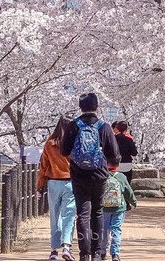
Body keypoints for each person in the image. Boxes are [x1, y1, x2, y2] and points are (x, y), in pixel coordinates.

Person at [60, 92, 121, 261]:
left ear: (80, 107)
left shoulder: (73, 126)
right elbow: (115, 156)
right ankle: (97, 253)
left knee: (83, 214)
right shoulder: (104, 126)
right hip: (100, 176)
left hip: (79, 176)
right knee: (98, 213)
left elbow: (64, 151)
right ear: (96, 107)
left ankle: (84, 254)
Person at [38, 116, 77, 261]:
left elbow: (43, 166)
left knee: (55, 215)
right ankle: (66, 247)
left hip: (53, 182)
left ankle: (54, 250)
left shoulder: (50, 143)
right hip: (70, 182)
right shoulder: (73, 143)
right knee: (69, 215)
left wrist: (40, 185)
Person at [100, 160, 137, 261]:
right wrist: (133, 202)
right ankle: (115, 254)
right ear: (118, 165)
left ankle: (103, 252)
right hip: (119, 208)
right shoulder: (121, 177)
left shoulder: (101, 175)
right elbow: (128, 192)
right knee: (116, 230)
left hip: (104, 208)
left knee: (104, 230)